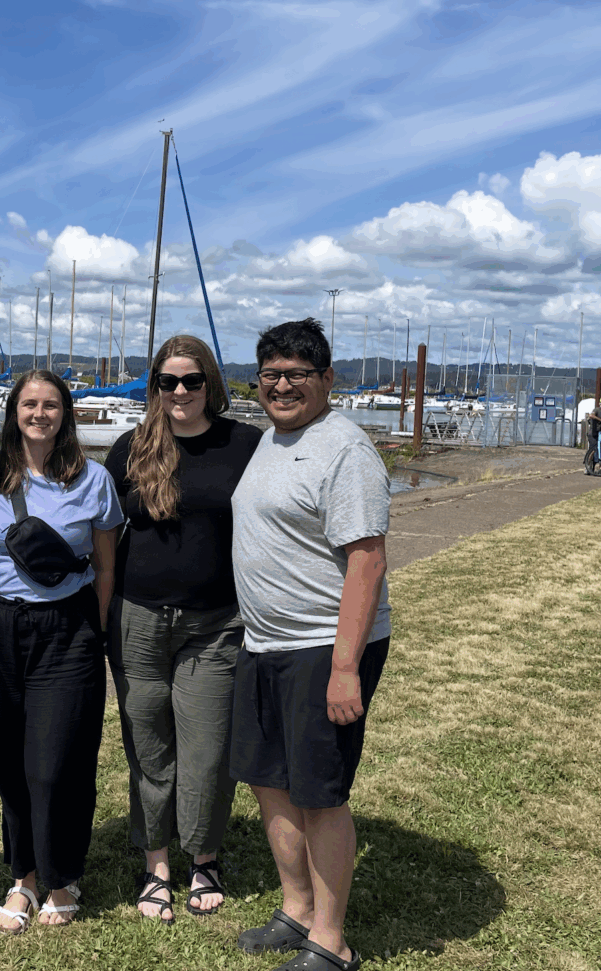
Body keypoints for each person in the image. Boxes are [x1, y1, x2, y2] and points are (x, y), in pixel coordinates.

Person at [230, 317, 390, 971]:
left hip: (324, 646)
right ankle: (297, 909)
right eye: (271, 375)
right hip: (264, 643)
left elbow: (367, 562)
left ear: (327, 379)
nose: (282, 385)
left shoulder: (345, 450)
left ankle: (332, 940)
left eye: (298, 374)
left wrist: (344, 667)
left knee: (320, 793)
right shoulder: (272, 440)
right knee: (271, 782)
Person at [104, 335, 262, 923]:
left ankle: (205, 858)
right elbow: (100, 532)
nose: (179, 392)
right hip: (138, 619)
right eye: (168, 381)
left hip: (217, 622)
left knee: (208, 748)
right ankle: (158, 864)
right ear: (154, 387)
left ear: (209, 384)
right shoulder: (129, 447)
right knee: (149, 748)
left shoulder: (243, 444)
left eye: (191, 381)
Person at [0, 370, 122, 935]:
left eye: (51, 404)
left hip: (69, 628)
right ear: (13, 413)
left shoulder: (94, 480)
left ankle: (63, 876)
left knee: (56, 764)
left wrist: (96, 630)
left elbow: (105, 565)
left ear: (66, 414)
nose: (40, 413)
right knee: (10, 762)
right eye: (29, 404)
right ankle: (25, 875)